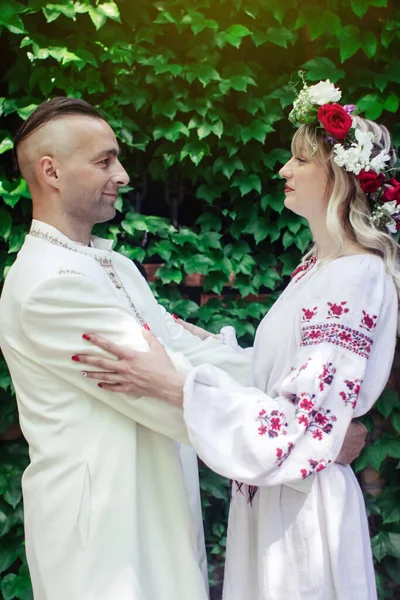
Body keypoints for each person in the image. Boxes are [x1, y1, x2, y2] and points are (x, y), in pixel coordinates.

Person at [75, 79, 400, 600]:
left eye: (300, 161)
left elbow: (298, 425)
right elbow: (283, 375)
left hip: (303, 511)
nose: (283, 170)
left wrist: (176, 385)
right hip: (272, 499)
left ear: (340, 176)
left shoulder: (356, 276)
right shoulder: (319, 267)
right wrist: (200, 343)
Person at [0, 97, 258, 600]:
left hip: (154, 501)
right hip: (104, 532)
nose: (121, 175)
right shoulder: (48, 285)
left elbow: (179, 349)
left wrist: (290, 382)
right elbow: (156, 389)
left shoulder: (114, 266)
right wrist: (296, 433)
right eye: (103, 161)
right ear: (50, 172)